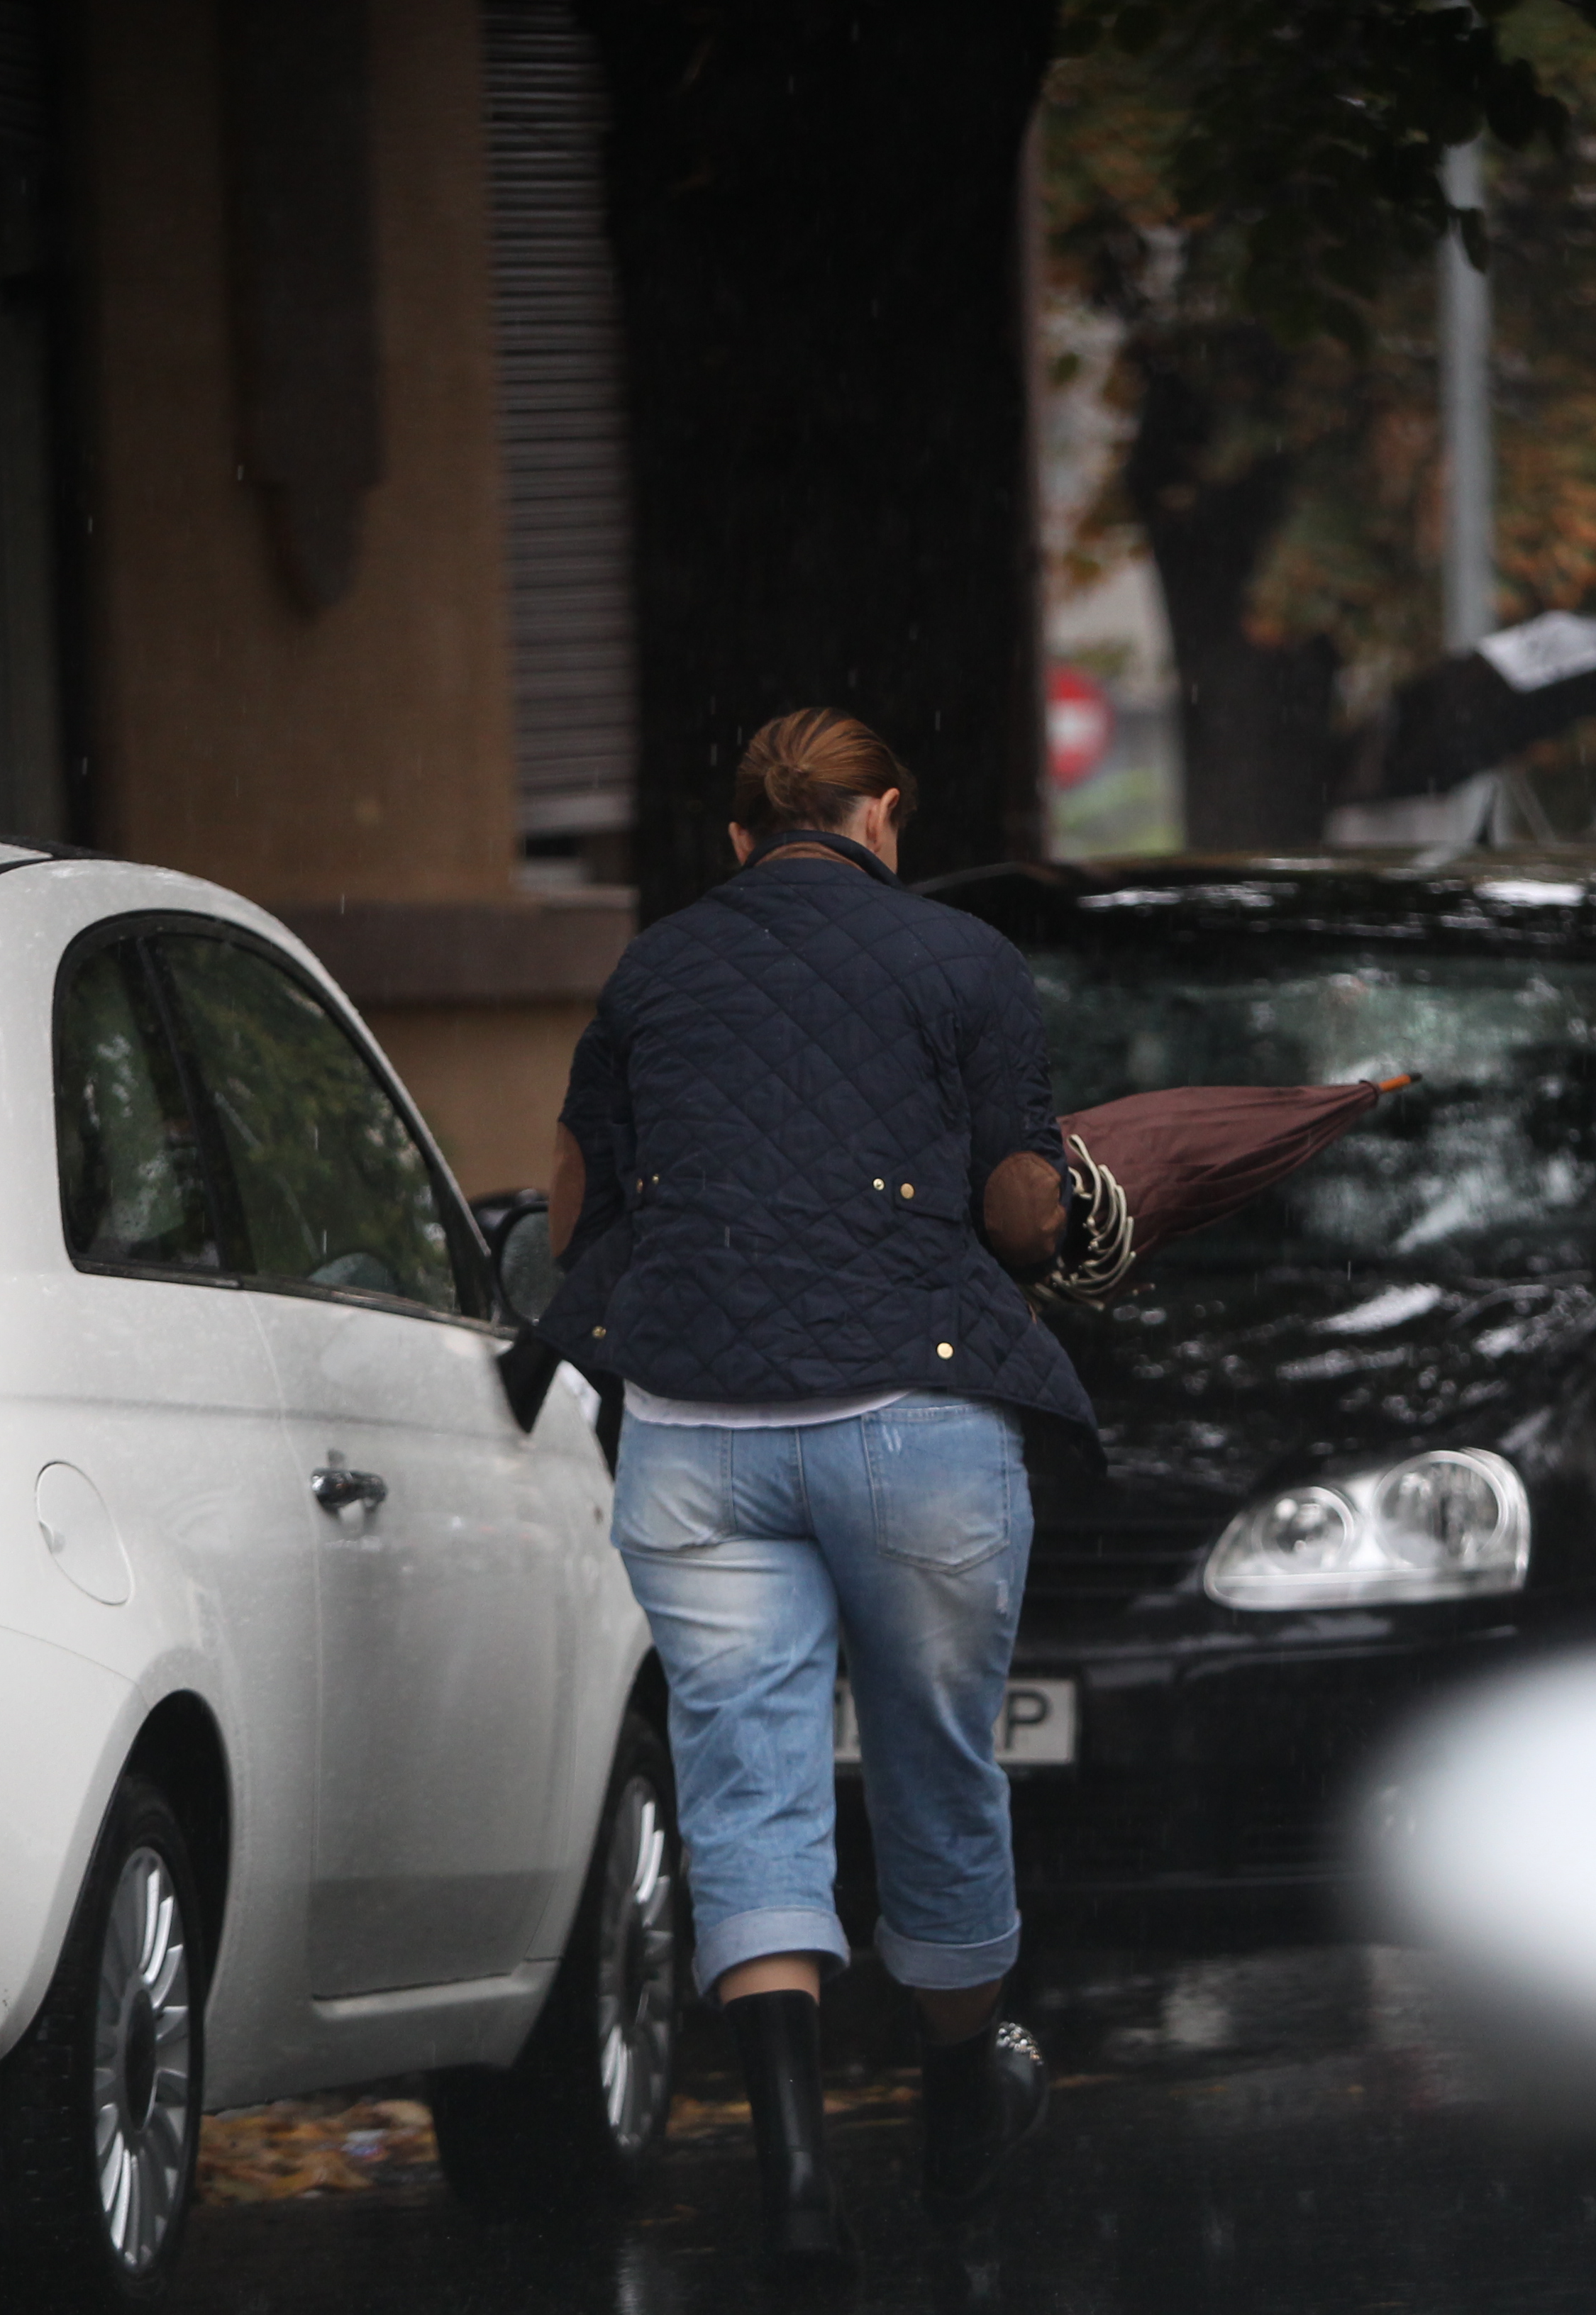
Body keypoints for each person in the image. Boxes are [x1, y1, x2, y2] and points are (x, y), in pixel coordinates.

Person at [539, 708, 1092, 2272]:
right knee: (936, 1768)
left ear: (739, 839)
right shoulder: (963, 962)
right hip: (914, 1422)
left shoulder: (655, 968)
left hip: (696, 1429)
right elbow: (1019, 1212)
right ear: (884, 817)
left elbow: (581, 1197)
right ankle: (956, 2109)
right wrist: (1077, 1196)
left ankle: (793, 2180)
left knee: (744, 1784)